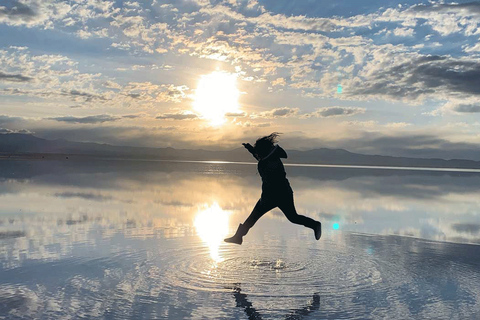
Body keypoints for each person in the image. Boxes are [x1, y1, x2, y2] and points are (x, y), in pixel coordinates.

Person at [224, 133, 321, 245]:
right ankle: (238, 237)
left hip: (277, 196)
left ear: (264, 151)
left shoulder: (271, 161)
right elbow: (259, 157)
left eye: (258, 150)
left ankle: (315, 225)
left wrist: (266, 199)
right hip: (275, 195)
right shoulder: (268, 158)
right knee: (256, 218)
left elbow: (269, 174)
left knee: (291, 217)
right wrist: (250, 149)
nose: (257, 153)